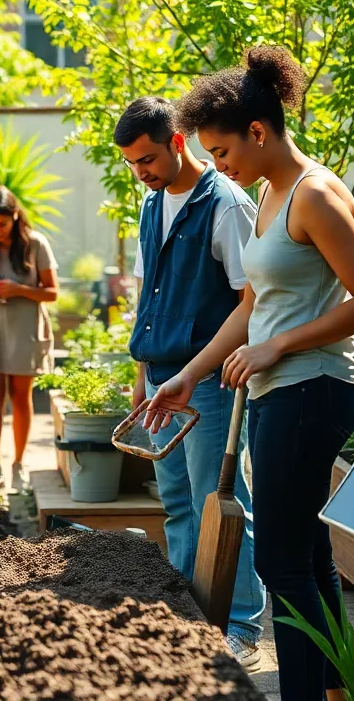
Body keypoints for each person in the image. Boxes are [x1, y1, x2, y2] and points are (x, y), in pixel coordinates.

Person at [144, 47, 354, 701]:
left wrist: (274, 348)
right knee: (308, 555)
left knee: (280, 563)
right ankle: (340, 688)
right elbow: (251, 305)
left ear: (257, 132)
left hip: (311, 391)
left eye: (221, 153)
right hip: (286, 389)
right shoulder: (270, 191)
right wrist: (190, 375)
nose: (217, 167)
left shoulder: (315, 195)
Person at [116, 95, 267, 668]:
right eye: (133, 163)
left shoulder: (226, 204)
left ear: (178, 142)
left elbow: (249, 303)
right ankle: (191, 619)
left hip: (206, 384)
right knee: (177, 503)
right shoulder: (151, 205)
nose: (142, 172)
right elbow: (147, 295)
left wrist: (197, 372)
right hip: (161, 379)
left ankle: (242, 626)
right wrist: (142, 377)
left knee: (221, 502)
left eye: (148, 158)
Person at [0, 186, 59, 493]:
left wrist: (18, 289)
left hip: (25, 327)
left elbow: (52, 292)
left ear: (15, 215)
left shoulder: (36, 243)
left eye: (1, 224)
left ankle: (19, 464)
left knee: (20, 396)